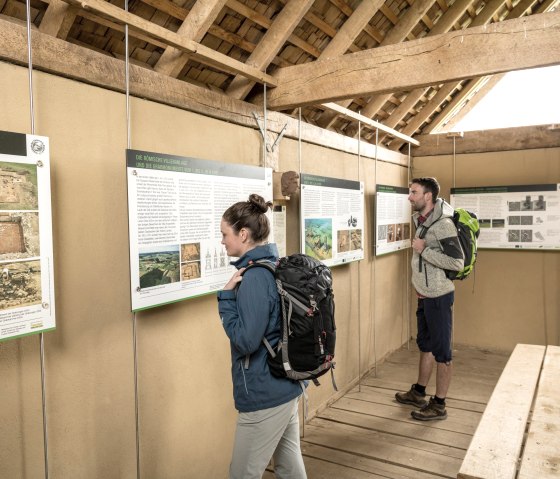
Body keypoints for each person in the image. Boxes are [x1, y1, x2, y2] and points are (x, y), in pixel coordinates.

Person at [217, 194, 307, 479]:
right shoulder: (273, 263)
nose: (222, 241)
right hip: (285, 386)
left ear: (243, 234)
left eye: (224, 234)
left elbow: (246, 341)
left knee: (242, 474)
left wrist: (226, 299)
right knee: (290, 469)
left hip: (264, 393)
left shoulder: (254, 278)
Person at [395, 177, 464, 421]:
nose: (409, 197)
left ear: (428, 196)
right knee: (426, 346)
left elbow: (457, 262)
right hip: (425, 296)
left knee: (442, 352)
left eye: (414, 192)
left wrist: (425, 250)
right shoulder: (424, 220)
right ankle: (419, 392)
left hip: (439, 297)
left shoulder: (443, 225)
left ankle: (439, 404)